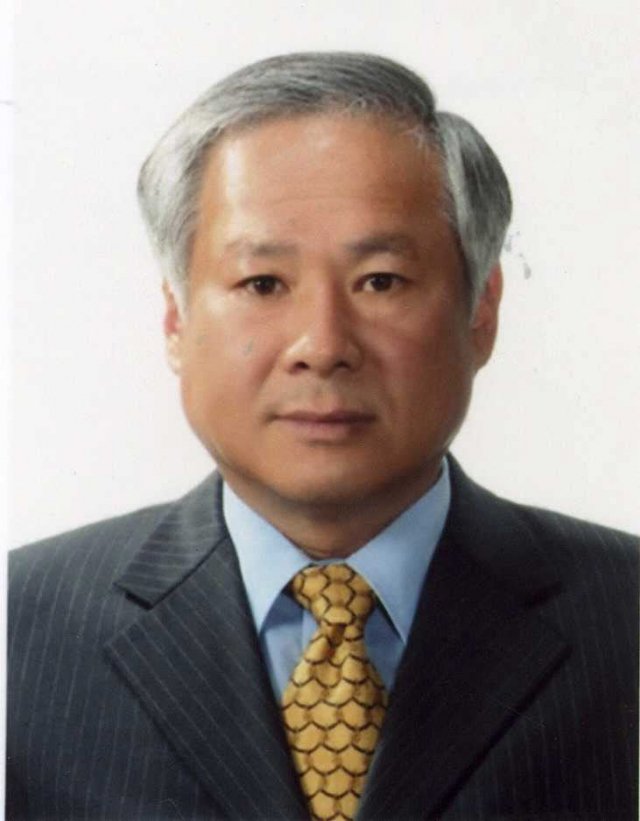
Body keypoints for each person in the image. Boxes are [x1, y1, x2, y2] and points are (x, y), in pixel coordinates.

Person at [7, 52, 638, 821]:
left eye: (381, 280)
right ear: (176, 319)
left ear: (481, 310)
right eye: (263, 283)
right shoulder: (22, 626)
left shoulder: (625, 613)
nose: (323, 343)